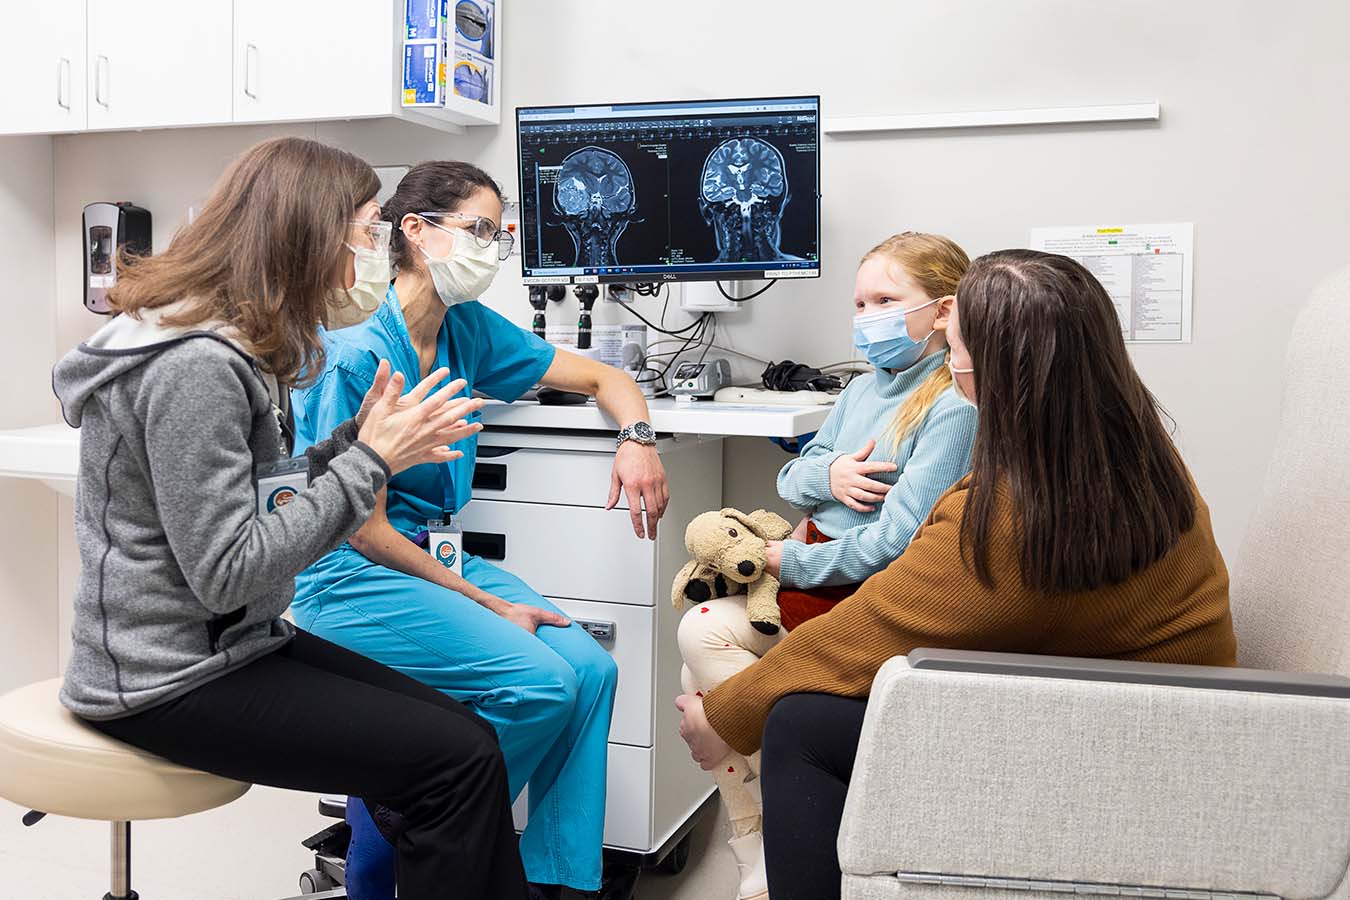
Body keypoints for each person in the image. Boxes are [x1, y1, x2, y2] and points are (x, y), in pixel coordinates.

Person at [676, 250, 1238, 900]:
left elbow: (877, 620)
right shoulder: (1138, 455)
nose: (950, 363)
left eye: (959, 350)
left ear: (996, 369)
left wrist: (725, 714)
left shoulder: (1013, 514)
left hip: (1116, 742)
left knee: (799, 725)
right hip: (1176, 720)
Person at [51, 137, 529, 899]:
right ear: (309, 237)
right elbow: (227, 569)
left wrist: (352, 442)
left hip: (234, 644)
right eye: (368, 231)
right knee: (456, 764)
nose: (376, 252)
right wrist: (370, 463)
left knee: (467, 744)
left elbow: (265, 494)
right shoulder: (194, 365)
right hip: (164, 678)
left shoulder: (238, 345)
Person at [289, 160, 669, 899]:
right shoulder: (357, 352)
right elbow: (358, 530)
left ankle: (546, 880)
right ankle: (414, 813)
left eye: (501, 234)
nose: (494, 248)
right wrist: (489, 603)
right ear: (416, 231)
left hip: (428, 551)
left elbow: (603, 379)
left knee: (591, 672)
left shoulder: (463, 327)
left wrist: (639, 440)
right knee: (539, 686)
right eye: (480, 230)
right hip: (349, 573)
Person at [676, 233, 978, 900]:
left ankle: (762, 835)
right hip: (816, 569)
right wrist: (833, 472)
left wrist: (792, 560)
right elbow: (791, 475)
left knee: (701, 635)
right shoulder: (864, 389)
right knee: (696, 659)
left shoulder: (951, 408)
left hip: (858, 591)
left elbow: (897, 544)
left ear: (943, 311)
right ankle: (760, 837)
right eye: (860, 302)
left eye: (886, 301)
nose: (867, 316)